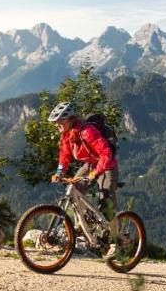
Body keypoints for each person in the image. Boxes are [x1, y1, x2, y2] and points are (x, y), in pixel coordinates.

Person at [48, 101, 119, 256]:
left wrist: (96, 173)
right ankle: (80, 224)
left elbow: (106, 153)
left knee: (106, 203)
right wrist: (60, 172)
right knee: (73, 191)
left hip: (107, 165)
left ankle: (116, 241)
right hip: (90, 165)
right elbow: (64, 155)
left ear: (70, 119)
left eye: (60, 121)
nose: (57, 125)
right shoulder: (67, 135)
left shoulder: (87, 131)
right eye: (55, 122)